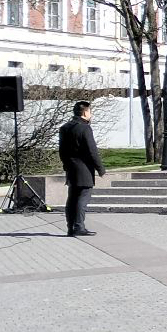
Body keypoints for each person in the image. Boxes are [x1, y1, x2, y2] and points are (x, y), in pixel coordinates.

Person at [57, 101, 106, 237]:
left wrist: (66, 165)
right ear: (85, 112)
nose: (91, 114)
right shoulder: (84, 128)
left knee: (72, 198)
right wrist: (100, 169)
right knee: (82, 198)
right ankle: (79, 226)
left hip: (71, 168)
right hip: (84, 169)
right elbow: (92, 151)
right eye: (90, 112)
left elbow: (61, 151)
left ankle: (70, 227)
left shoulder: (65, 128)